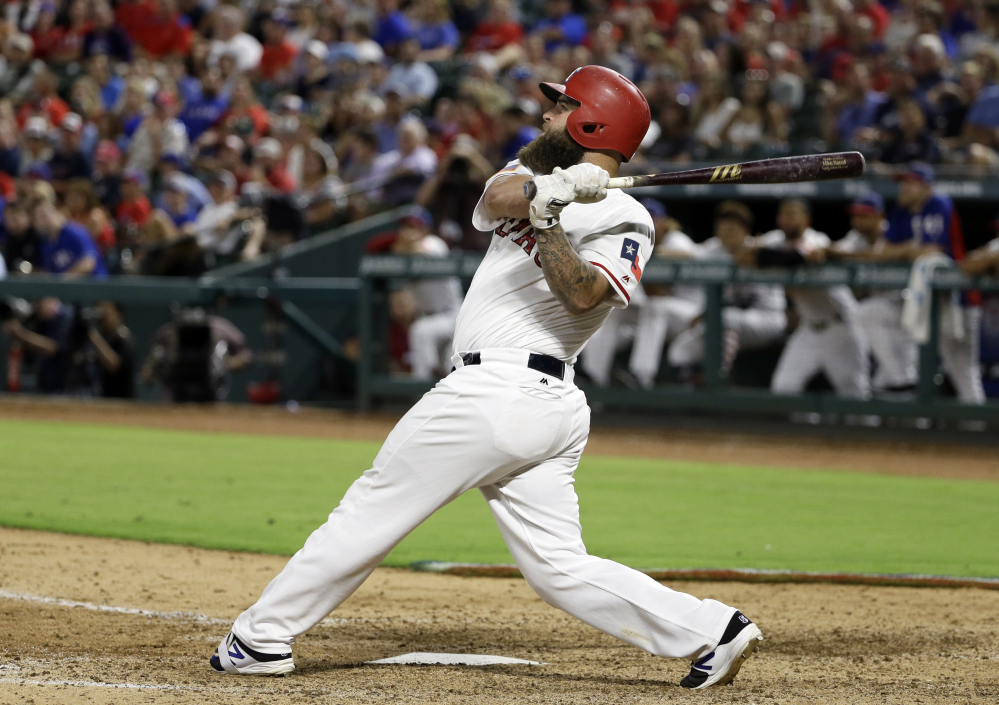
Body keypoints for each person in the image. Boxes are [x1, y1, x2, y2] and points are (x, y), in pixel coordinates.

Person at [209, 66, 763, 691]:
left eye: (561, 108)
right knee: (557, 567)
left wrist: (551, 222)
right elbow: (497, 199)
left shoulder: (628, 219)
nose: (546, 115)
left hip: (502, 393)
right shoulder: (530, 172)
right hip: (528, 406)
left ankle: (260, 638)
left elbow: (586, 297)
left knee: (370, 508)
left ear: (592, 122)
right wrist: (547, 194)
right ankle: (711, 629)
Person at [883, 163, 985, 404]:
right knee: (923, 365)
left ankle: (979, 430)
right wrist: (908, 251)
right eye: (902, 183)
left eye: (910, 183)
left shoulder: (938, 203)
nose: (904, 188)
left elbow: (932, 250)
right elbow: (885, 250)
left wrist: (906, 251)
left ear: (926, 187)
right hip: (927, 302)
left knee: (962, 371)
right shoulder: (902, 209)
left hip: (958, 300)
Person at [751, 199, 871, 399]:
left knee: (855, 398)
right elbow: (746, 255)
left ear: (806, 220)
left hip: (841, 327)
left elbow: (811, 256)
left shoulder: (817, 239)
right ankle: (808, 428)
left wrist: (768, 258)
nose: (785, 219)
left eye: (792, 214)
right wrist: (769, 254)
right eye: (782, 214)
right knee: (784, 389)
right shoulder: (775, 240)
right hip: (808, 329)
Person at [667, 201, 787, 381]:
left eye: (731, 229)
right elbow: (690, 254)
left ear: (745, 230)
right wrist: (651, 252)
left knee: (724, 317)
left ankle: (719, 375)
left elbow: (783, 241)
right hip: (731, 321)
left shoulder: (760, 247)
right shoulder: (715, 248)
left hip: (767, 318)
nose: (725, 234)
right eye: (721, 228)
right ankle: (696, 390)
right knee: (680, 350)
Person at [835, 192, 919, 393]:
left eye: (864, 215)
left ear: (879, 216)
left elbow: (883, 254)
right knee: (887, 384)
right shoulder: (855, 239)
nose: (857, 220)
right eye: (855, 215)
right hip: (883, 313)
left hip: (909, 309)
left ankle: (902, 381)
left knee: (907, 376)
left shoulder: (895, 233)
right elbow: (838, 251)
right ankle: (900, 381)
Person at [33, 200, 108, 278]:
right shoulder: (45, 243)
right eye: (37, 219)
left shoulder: (74, 231)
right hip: (69, 288)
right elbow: (49, 272)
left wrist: (63, 280)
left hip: (94, 285)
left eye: (44, 216)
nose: (41, 221)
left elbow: (88, 263)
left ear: (56, 213)